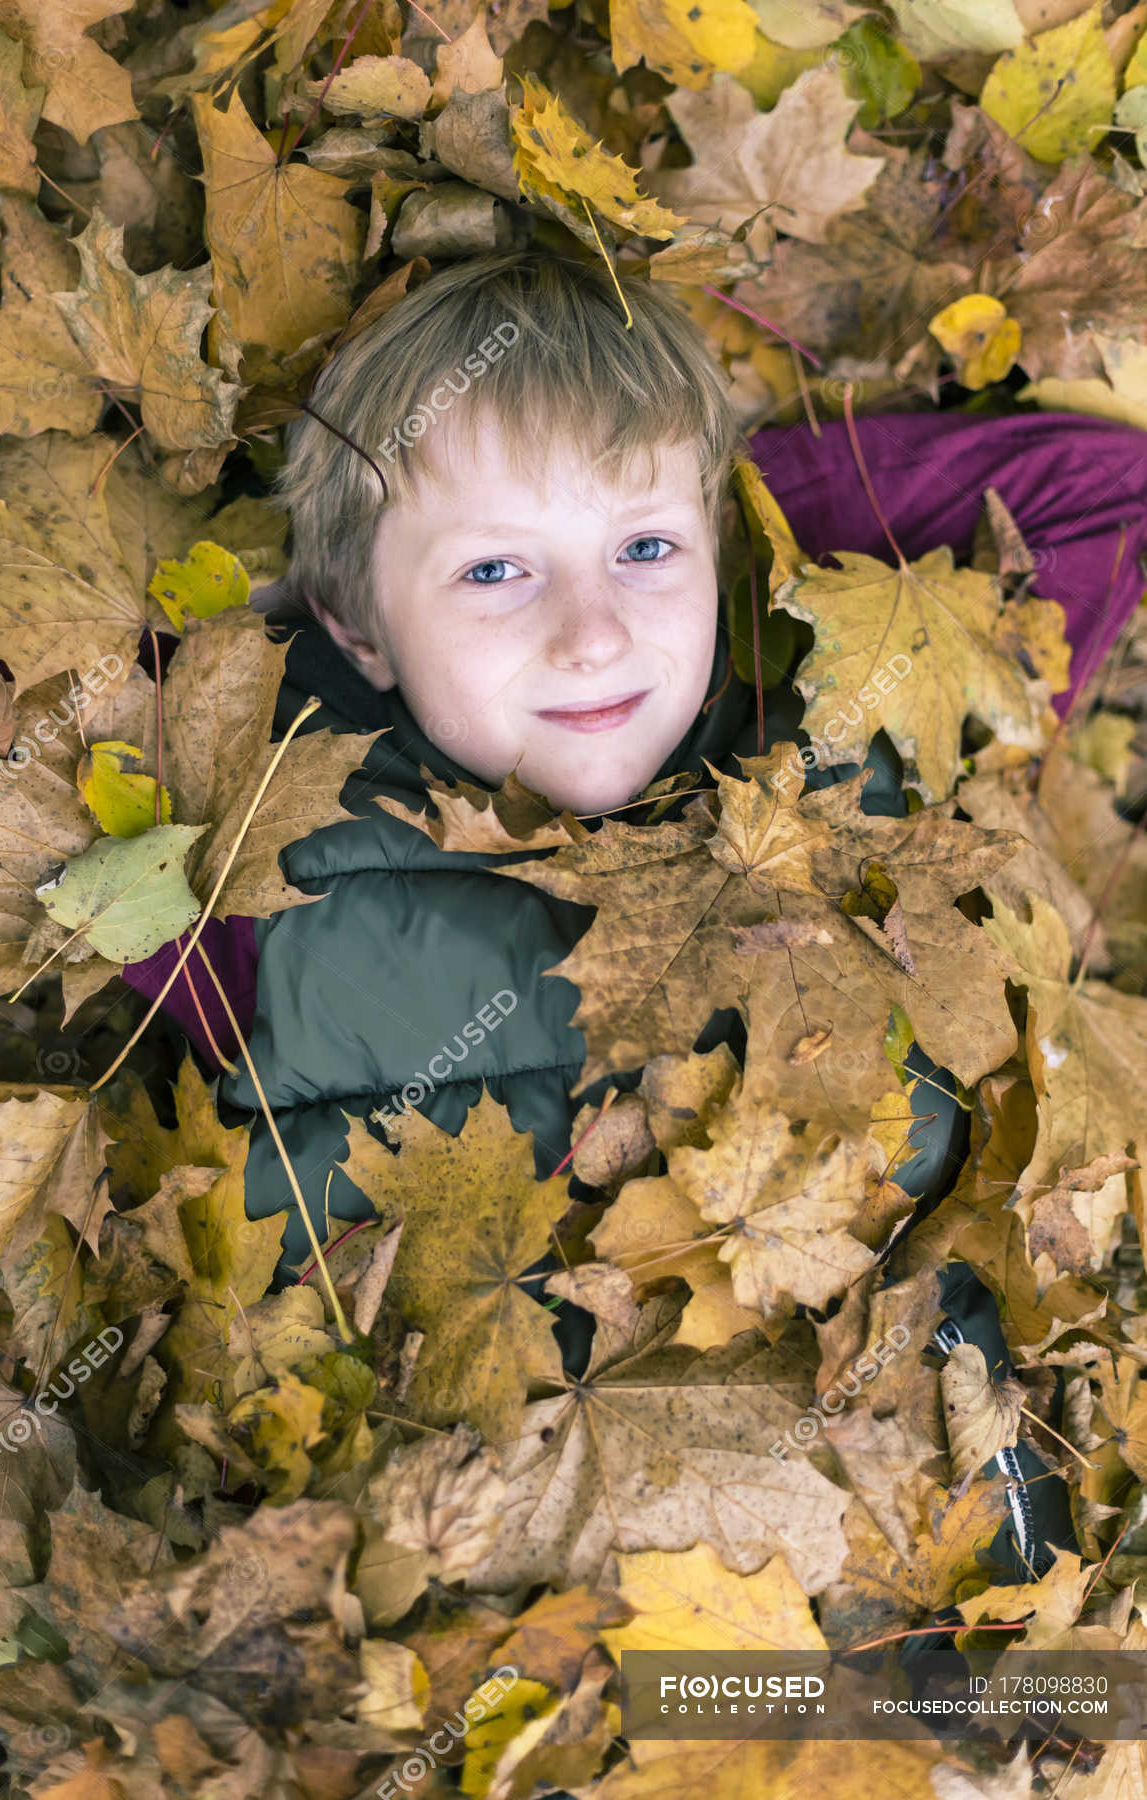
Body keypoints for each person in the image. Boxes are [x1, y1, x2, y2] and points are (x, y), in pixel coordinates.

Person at [125, 249, 1147, 1587]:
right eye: (497, 571)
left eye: (643, 550)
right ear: (356, 624)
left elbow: (1105, 492)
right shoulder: (246, 846)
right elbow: (25, 698)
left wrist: (742, 523)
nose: (597, 633)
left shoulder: (849, 745)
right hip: (488, 1615)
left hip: (922, 1578)